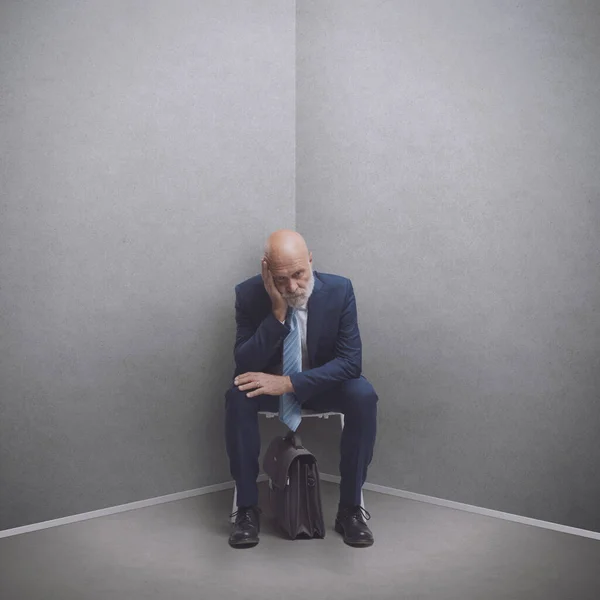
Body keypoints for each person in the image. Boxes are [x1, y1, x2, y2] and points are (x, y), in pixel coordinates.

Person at [225, 229, 378, 549]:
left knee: (363, 394)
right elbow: (244, 363)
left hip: (321, 385)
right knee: (237, 396)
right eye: (281, 278)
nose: (293, 286)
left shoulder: (340, 289)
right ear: (266, 269)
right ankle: (247, 509)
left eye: (299, 274)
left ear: (311, 260)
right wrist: (278, 313)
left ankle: (350, 509)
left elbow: (351, 363)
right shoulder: (248, 294)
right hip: (269, 385)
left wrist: (291, 383)